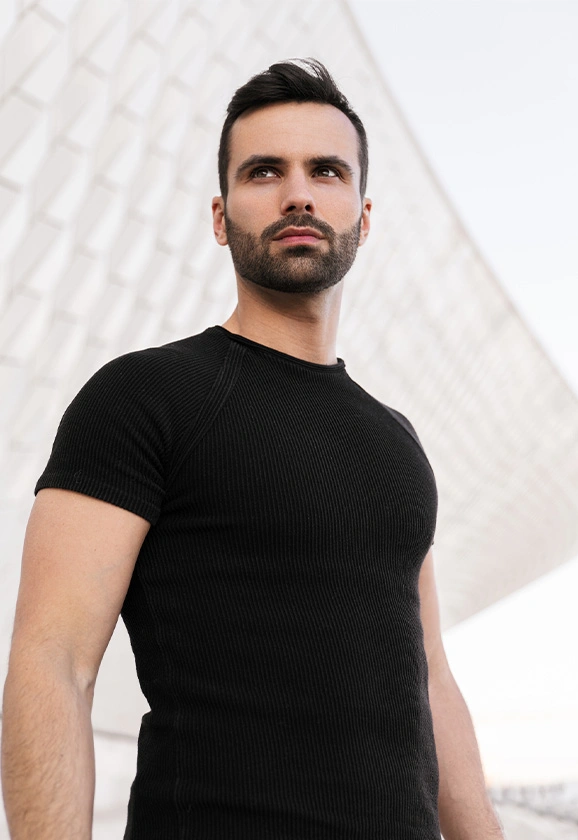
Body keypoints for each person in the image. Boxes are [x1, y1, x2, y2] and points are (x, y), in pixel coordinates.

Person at [1, 59, 505, 840]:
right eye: (265, 170)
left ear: (363, 217)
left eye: (326, 171)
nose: (298, 192)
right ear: (219, 214)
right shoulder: (142, 398)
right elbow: (53, 662)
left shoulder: (396, 441)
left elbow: (432, 682)